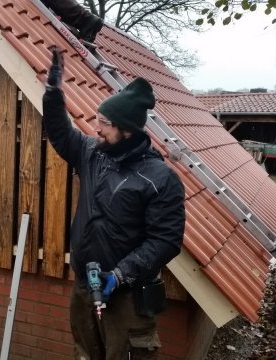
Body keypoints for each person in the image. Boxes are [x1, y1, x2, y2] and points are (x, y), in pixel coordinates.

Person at [42, 48, 185, 359]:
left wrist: (120, 275)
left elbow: (166, 241)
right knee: (85, 353)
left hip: (126, 297)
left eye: (104, 123)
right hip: (84, 287)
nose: (96, 128)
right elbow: (61, 133)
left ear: (127, 129)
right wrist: (53, 93)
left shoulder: (160, 178)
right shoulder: (94, 154)